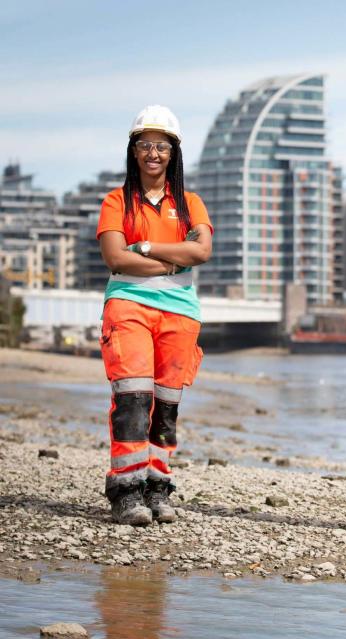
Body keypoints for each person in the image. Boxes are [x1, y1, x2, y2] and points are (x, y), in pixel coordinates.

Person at [96, 105, 213, 526]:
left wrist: (143, 248)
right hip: (127, 308)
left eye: (161, 146)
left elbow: (200, 252)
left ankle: (157, 486)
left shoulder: (191, 204)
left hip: (180, 315)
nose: (153, 153)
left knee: (166, 406)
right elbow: (113, 257)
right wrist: (170, 262)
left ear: (173, 152)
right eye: (144, 144)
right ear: (133, 150)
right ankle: (126, 491)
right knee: (132, 399)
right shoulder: (116, 200)